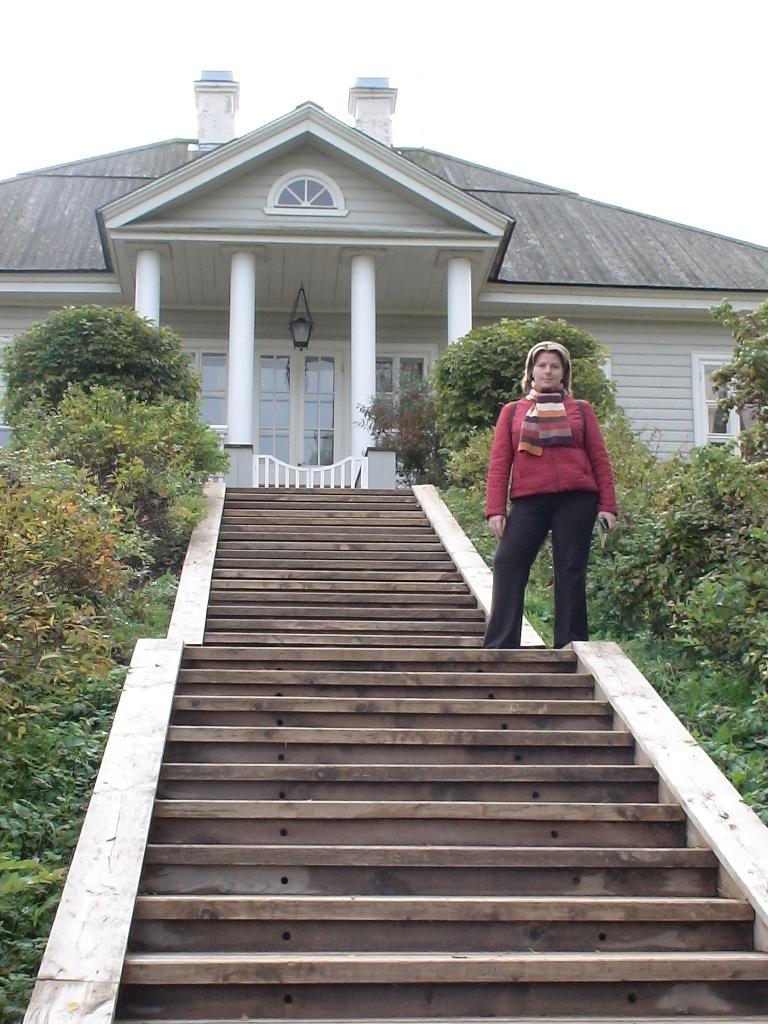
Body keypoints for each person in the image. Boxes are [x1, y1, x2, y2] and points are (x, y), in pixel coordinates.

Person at [483, 340, 617, 649]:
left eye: (554, 366)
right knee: (507, 562)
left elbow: (600, 459)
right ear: (531, 371)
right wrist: (495, 509)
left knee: (570, 570)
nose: (547, 371)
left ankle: (570, 647)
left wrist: (608, 505)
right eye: (541, 365)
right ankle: (501, 646)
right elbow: (500, 462)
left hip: (577, 499)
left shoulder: (580, 409)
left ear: (563, 373)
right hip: (529, 499)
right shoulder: (513, 411)